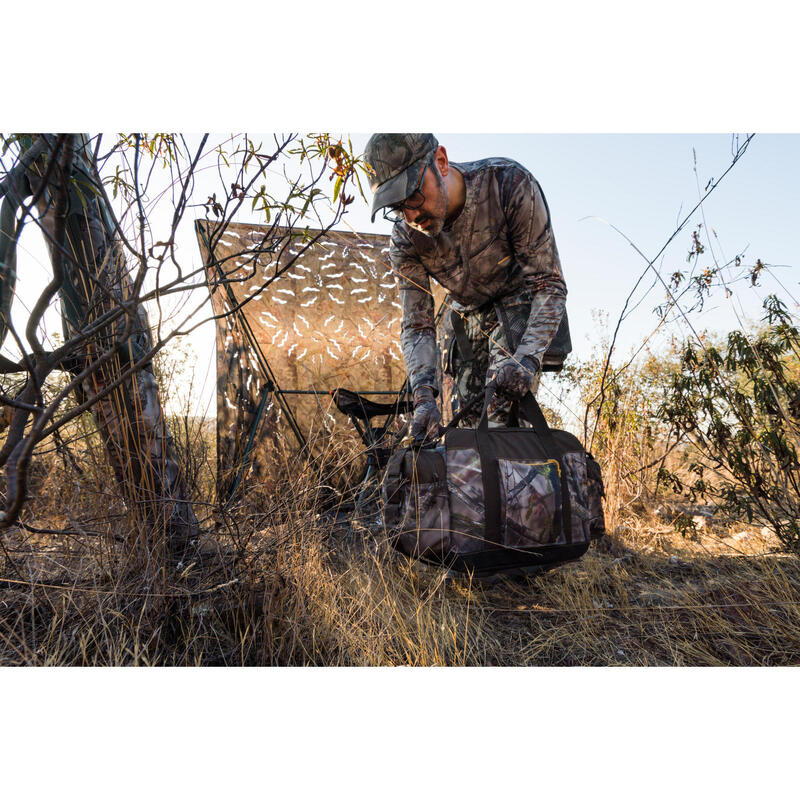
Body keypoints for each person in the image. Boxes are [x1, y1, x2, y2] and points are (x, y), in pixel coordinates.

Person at [365, 133, 569, 441]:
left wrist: (527, 358)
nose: (411, 216)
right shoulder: (405, 238)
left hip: (519, 311)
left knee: (501, 427)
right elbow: (417, 325)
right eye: (397, 208)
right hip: (465, 324)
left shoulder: (509, 185)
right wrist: (423, 397)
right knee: (467, 437)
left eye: (414, 195)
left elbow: (549, 283)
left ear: (441, 162)